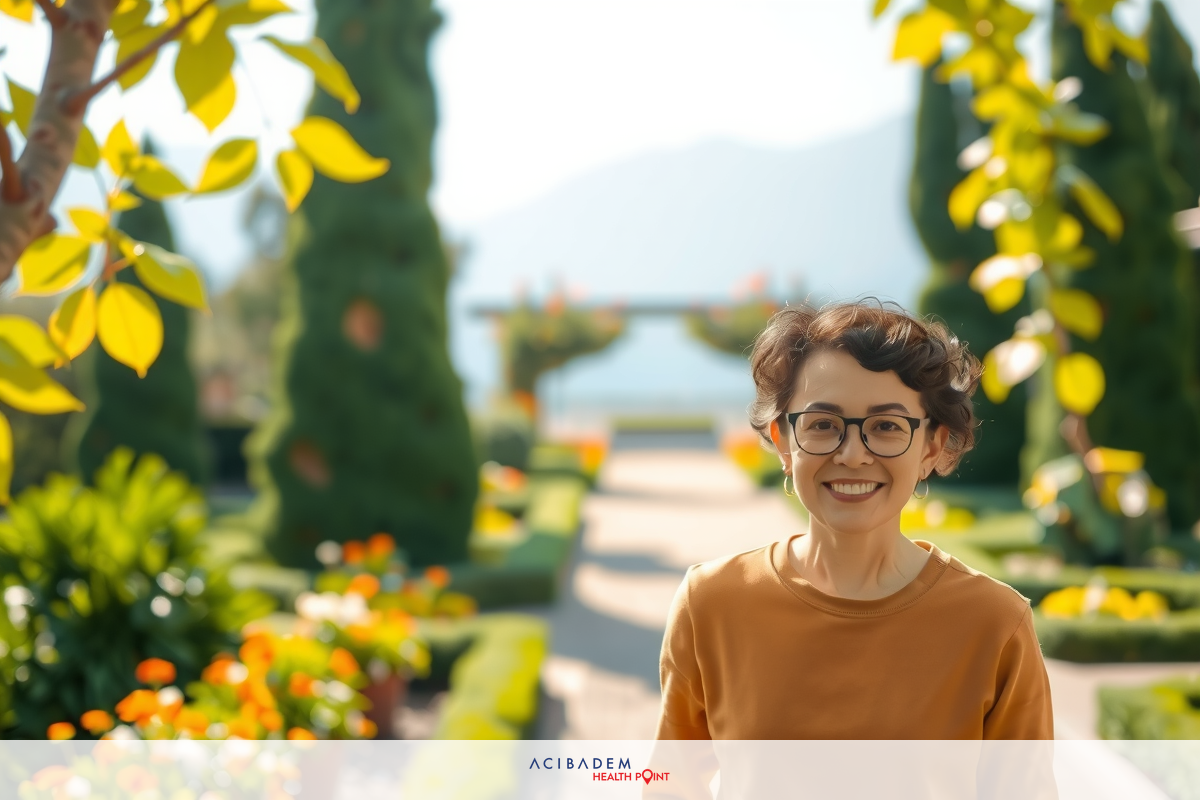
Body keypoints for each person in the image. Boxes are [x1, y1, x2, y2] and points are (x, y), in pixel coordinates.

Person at [653, 299, 1054, 741]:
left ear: (932, 448)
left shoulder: (995, 625)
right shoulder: (710, 604)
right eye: (823, 424)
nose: (853, 454)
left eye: (887, 426)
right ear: (783, 442)